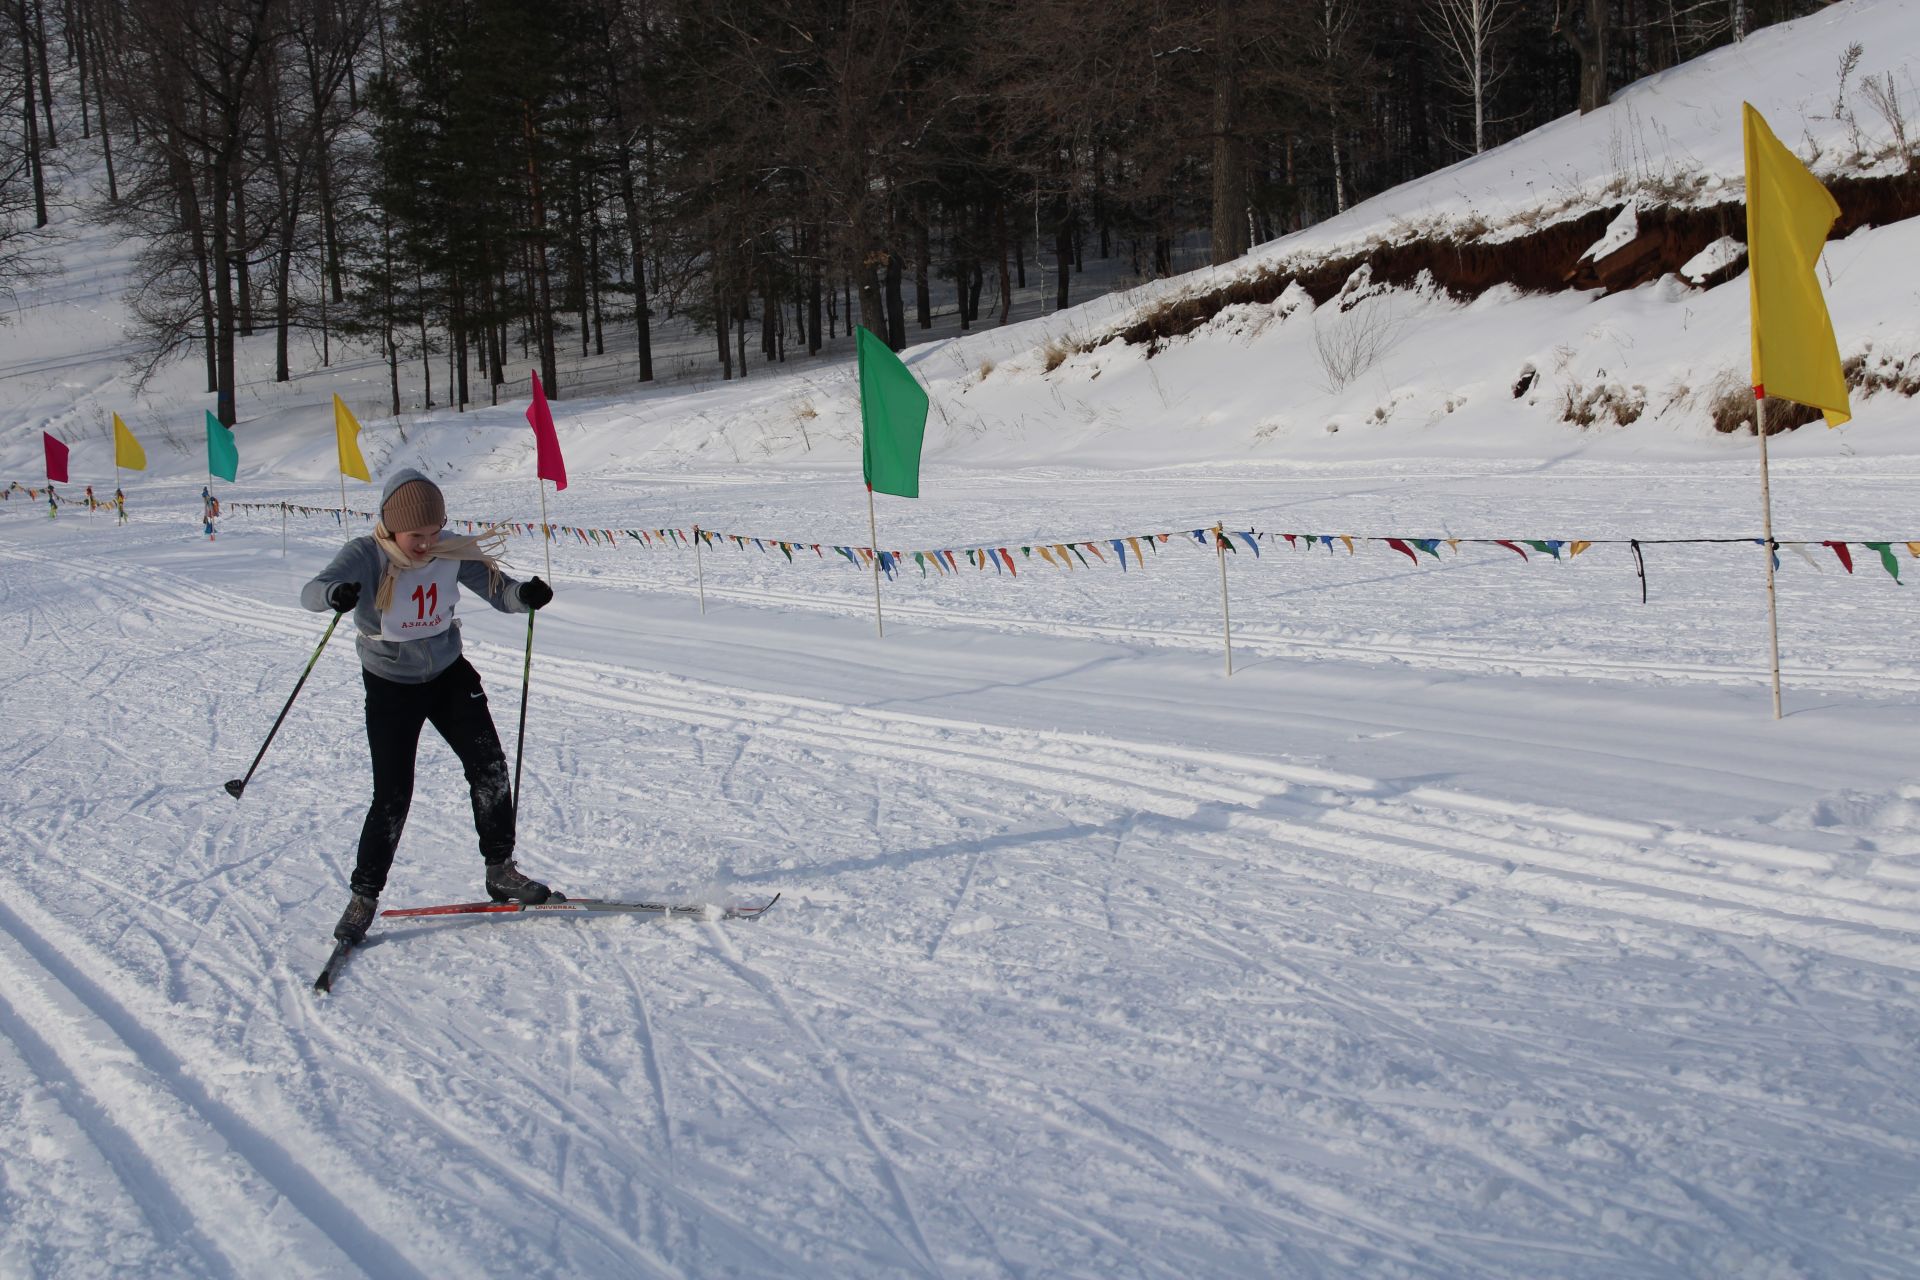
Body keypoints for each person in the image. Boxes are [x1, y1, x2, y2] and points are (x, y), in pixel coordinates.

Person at [302, 468, 557, 944]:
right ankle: (363, 896)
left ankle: (500, 869)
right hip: (391, 683)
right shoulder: (365, 554)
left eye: (433, 531)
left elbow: (501, 591)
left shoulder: (451, 550)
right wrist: (334, 595)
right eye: (415, 534)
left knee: (489, 769)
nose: (425, 543)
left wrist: (524, 595)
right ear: (389, 525)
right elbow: (312, 591)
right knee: (393, 792)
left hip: (447, 673)